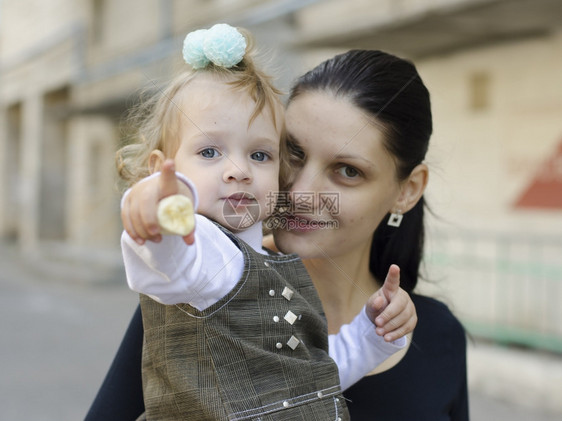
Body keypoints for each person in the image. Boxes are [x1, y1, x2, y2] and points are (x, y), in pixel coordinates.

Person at [86, 48, 468, 420]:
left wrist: (374, 334)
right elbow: (166, 247)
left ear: (408, 190)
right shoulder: (198, 283)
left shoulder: (437, 335)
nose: (299, 194)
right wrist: (162, 205)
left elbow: (316, 370)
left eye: (347, 171)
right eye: (294, 154)